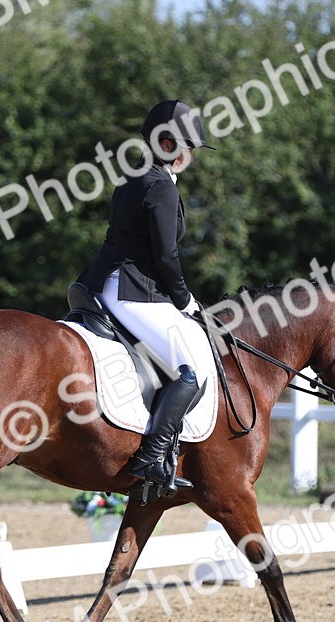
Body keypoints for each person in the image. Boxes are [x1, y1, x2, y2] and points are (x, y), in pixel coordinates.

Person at [75, 100, 217, 493]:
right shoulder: (160, 187)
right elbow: (166, 256)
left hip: (103, 282)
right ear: (168, 144)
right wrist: (185, 300)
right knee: (190, 370)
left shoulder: (133, 178)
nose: (191, 157)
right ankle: (152, 457)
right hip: (134, 291)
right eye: (188, 148)